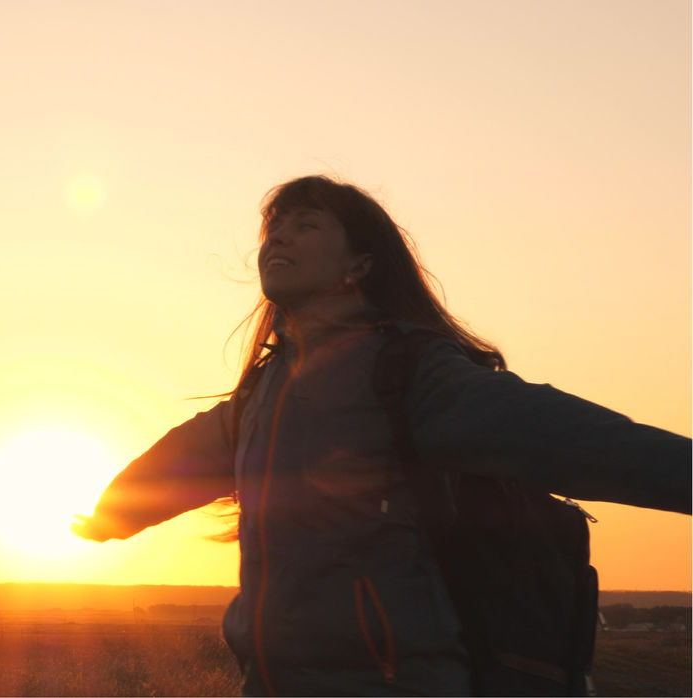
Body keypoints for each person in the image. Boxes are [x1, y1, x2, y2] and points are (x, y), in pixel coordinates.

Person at [70, 175, 691, 696]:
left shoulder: (407, 372)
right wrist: (111, 513)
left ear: (358, 264)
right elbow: (186, 455)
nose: (277, 237)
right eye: (273, 228)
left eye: (306, 224)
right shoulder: (262, 392)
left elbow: (570, 435)